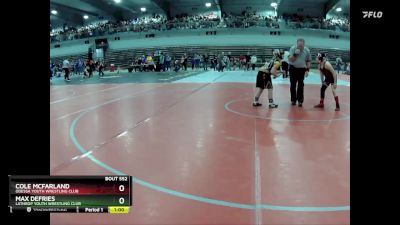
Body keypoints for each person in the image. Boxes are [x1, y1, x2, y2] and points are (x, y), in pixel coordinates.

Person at [288, 38, 312, 107]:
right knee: (293, 84)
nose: (300, 47)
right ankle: (293, 100)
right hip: (293, 68)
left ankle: (300, 101)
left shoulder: (307, 51)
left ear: (304, 45)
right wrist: (295, 54)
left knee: (301, 85)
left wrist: (307, 70)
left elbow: (308, 61)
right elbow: (290, 60)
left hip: (302, 69)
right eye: (299, 46)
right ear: (297, 44)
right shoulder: (293, 49)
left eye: (301, 46)